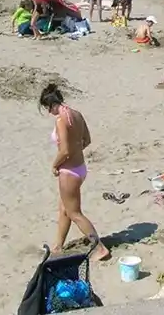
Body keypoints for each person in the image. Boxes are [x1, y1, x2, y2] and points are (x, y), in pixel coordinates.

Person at [40, 83, 110, 260]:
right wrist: (76, 151)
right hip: (80, 168)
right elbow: (87, 140)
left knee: (74, 213)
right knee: (64, 209)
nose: (49, 112)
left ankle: (100, 248)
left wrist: (55, 165)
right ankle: (58, 247)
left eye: (48, 108)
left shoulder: (61, 120)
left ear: (52, 105)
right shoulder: (76, 114)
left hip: (69, 171)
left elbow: (64, 150)